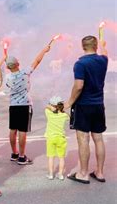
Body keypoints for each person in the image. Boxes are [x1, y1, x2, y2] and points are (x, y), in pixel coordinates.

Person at [66, 36, 108, 184]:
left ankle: (83, 173)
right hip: (98, 105)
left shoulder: (80, 64)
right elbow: (105, 52)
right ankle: (100, 172)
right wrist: (103, 45)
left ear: (82, 46)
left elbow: (78, 86)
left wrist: (69, 102)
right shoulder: (104, 60)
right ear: (96, 46)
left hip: (84, 105)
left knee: (83, 139)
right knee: (98, 138)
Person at [6, 44, 50, 165]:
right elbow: (37, 61)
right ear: (17, 64)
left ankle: (14, 153)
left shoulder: (7, 77)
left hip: (13, 105)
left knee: (12, 129)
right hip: (24, 105)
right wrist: (44, 50)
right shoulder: (25, 73)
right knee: (22, 131)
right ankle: (21, 156)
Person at [45, 96, 69, 180]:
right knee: (61, 158)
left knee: (51, 157)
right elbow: (69, 117)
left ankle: (51, 174)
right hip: (61, 138)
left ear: (52, 105)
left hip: (51, 138)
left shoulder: (48, 113)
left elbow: (46, 107)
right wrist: (62, 110)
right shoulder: (64, 115)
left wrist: (51, 107)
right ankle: (60, 175)